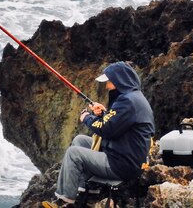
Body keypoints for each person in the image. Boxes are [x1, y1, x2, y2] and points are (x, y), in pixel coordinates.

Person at [42, 61, 155, 208]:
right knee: (80, 140)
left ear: (118, 81)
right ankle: (85, 188)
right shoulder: (133, 98)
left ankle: (64, 201)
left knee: (73, 153)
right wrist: (104, 113)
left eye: (108, 81)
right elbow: (118, 123)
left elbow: (106, 129)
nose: (107, 85)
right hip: (127, 155)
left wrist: (87, 118)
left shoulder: (127, 101)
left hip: (122, 164)